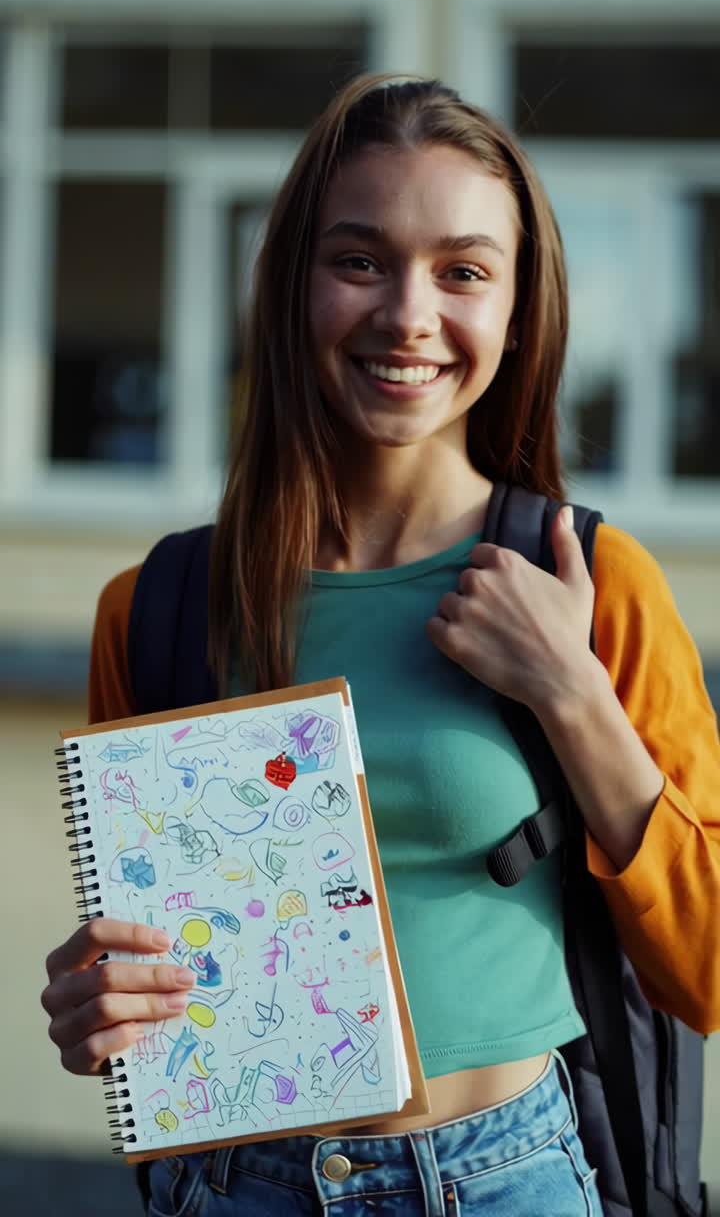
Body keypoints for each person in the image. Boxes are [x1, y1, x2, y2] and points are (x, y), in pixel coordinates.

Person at [41, 75, 720, 1216]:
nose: (409, 313)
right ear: (293, 284)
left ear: (517, 308)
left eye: (462, 270)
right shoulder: (155, 605)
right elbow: (150, 982)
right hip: (232, 1184)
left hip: (509, 1178)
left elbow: (704, 971)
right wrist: (99, 1005)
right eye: (360, 260)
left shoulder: (589, 584)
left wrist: (572, 691)